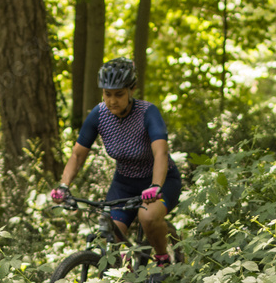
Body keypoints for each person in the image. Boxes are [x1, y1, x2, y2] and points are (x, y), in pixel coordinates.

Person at [51, 57, 182, 266]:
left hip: (161, 180)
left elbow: (161, 153)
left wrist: (156, 186)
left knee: (147, 217)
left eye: (119, 94)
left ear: (132, 90)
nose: (112, 100)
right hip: (124, 183)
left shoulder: (147, 113)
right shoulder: (99, 115)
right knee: (112, 239)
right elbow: (77, 155)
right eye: (107, 94)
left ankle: (163, 259)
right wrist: (64, 186)